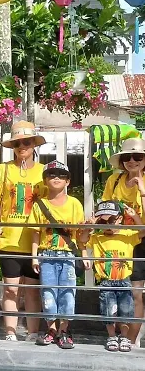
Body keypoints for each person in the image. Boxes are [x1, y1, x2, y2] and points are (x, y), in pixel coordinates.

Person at [0, 121, 47, 341]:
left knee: (33, 291)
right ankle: (10, 333)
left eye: (26, 142)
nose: (22, 147)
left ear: (34, 144)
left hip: (35, 240)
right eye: (17, 143)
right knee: (11, 289)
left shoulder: (44, 172)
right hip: (9, 239)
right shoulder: (3, 169)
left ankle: (33, 333)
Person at [29, 160, 89, 349]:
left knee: (67, 294)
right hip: (46, 255)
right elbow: (35, 232)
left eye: (61, 175)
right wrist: (34, 256)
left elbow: (80, 234)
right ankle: (51, 330)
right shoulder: (40, 205)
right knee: (48, 293)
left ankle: (64, 330)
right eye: (51, 175)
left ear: (68, 181)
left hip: (68, 255)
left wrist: (84, 254)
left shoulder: (75, 204)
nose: (56, 178)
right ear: (45, 180)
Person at [79, 200, 145, 353]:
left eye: (111, 220)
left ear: (119, 219)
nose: (107, 225)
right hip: (106, 281)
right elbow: (82, 240)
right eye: (102, 221)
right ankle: (111, 336)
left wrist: (134, 216)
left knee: (126, 310)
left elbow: (142, 232)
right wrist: (90, 225)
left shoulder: (127, 235)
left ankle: (124, 337)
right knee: (108, 310)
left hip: (124, 280)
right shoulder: (97, 237)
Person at [102, 138, 145, 344]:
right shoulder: (114, 180)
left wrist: (142, 190)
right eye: (127, 157)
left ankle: (132, 339)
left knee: (136, 294)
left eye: (138, 157)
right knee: (130, 293)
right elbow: (105, 211)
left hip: (141, 239)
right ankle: (127, 339)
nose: (132, 161)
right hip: (123, 243)